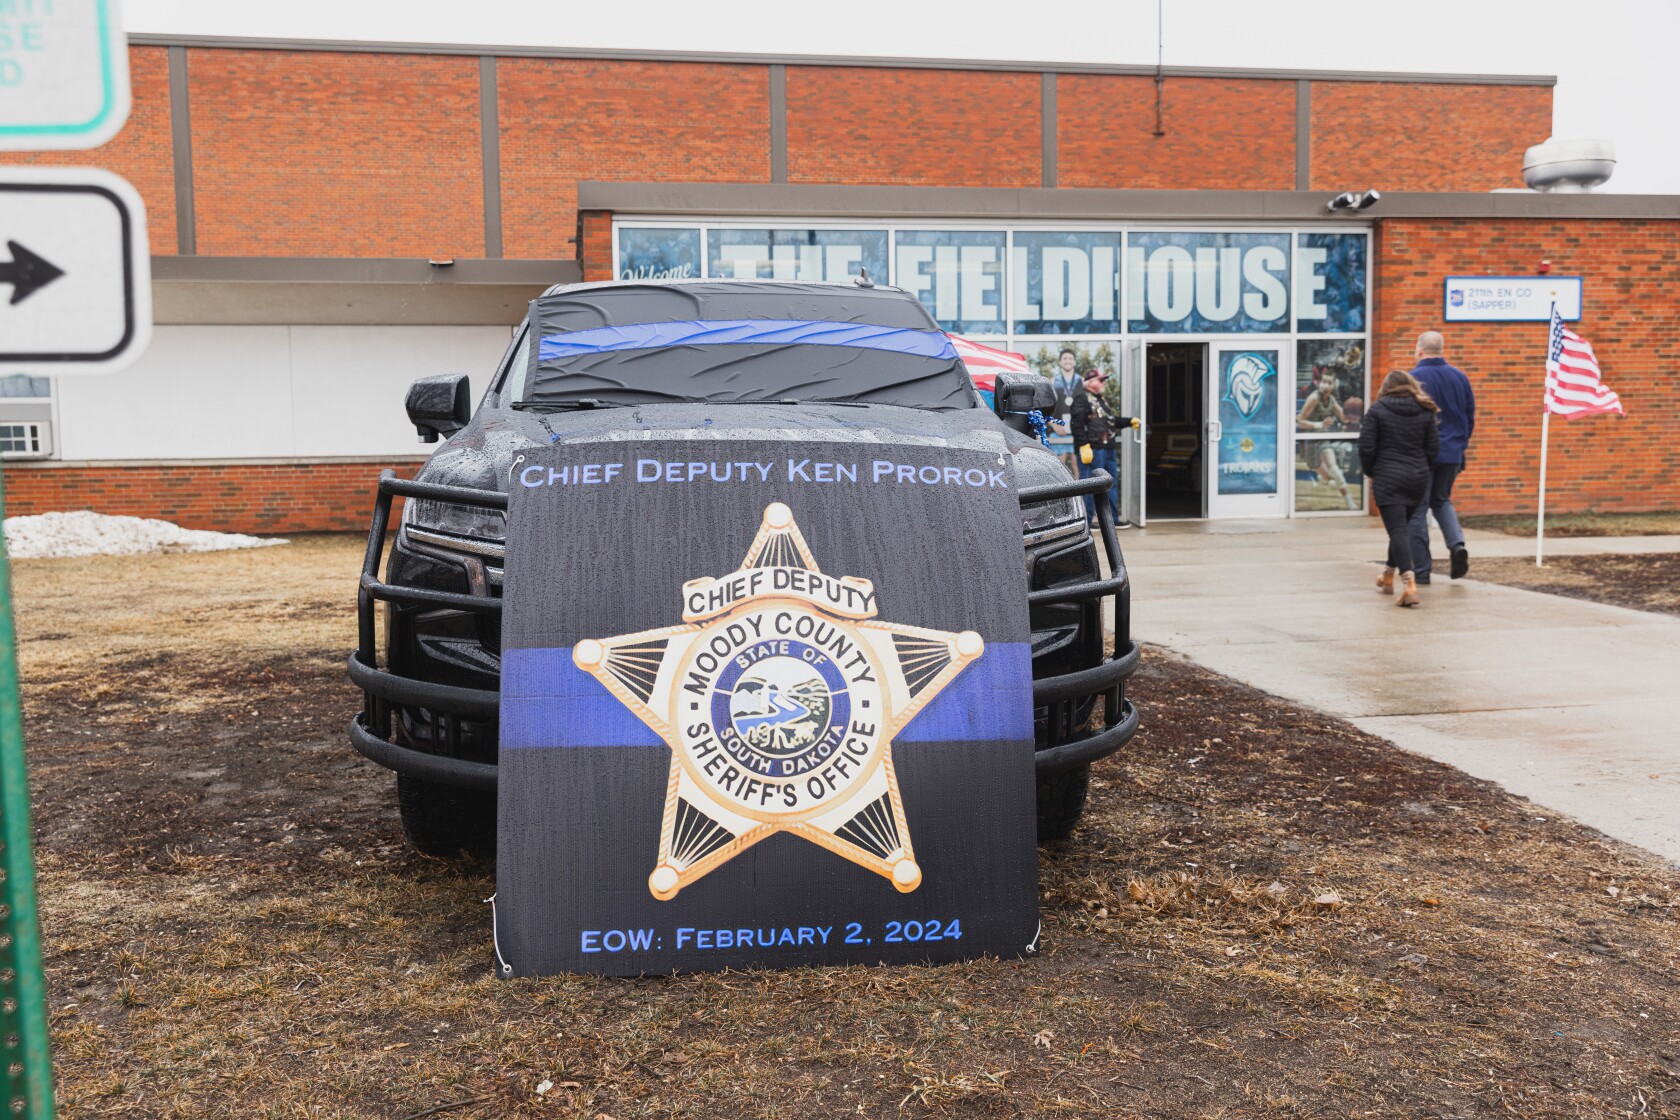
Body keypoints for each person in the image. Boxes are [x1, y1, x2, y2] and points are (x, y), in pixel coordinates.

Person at [1359, 370, 1440, 607]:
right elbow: (1433, 448)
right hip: (1417, 479)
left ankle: (1409, 585)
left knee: (1397, 530)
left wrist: (1372, 471)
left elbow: (1366, 447)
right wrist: (1421, 468)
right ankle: (1386, 577)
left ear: (1387, 387)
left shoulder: (1377, 410)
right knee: (1400, 528)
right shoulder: (1425, 410)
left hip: (1388, 477)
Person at [1407, 330, 1475, 583]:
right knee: (1442, 500)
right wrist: (1460, 445)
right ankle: (1457, 545)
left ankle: (1422, 570)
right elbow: (1469, 416)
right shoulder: (1460, 377)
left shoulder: (1413, 379)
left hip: (1423, 454)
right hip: (1452, 453)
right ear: (1442, 349)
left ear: (1419, 349)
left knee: (1417, 509)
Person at [1070, 367, 1140, 529]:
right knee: (1090, 484)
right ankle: (1086, 522)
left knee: (1109, 484)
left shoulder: (1100, 399)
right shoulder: (1081, 399)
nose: (1103, 383)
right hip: (1093, 450)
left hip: (1108, 449)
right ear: (1090, 382)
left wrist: (1129, 421)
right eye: (1101, 380)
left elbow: (1110, 421)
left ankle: (1112, 521)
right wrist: (1083, 445)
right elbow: (1077, 425)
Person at [1049, 348, 1081, 470]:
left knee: (1077, 467)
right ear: (1060, 362)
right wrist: (1053, 424)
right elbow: (1044, 409)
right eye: (1065, 358)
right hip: (1059, 431)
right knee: (1059, 469)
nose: (1067, 361)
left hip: (1077, 431)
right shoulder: (1053, 381)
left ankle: (1081, 490)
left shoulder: (1081, 381)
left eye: (1070, 358)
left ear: (1075, 362)